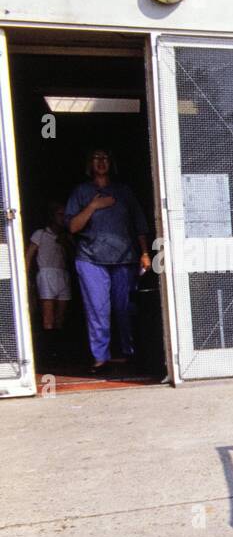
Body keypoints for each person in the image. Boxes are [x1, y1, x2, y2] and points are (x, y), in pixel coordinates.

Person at [65, 148, 151, 371]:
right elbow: (72, 227)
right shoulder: (82, 192)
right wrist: (93, 206)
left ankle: (127, 352)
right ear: (89, 164)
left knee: (124, 307)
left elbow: (139, 224)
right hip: (90, 259)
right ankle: (100, 357)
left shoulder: (123, 191)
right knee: (98, 309)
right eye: (96, 158)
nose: (101, 162)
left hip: (124, 258)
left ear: (111, 163)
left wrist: (144, 253)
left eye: (105, 158)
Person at [26, 200, 73, 338]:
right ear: (52, 216)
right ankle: (49, 348)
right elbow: (29, 256)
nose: (62, 218)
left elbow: (73, 258)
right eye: (60, 214)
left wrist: (67, 243)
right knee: (48, 317)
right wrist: (26, 278)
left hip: (63, 274)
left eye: (65, 215)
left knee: (61, 317)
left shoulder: (67, 236)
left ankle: (58, 346)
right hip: (46, 274)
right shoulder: (40, 233)